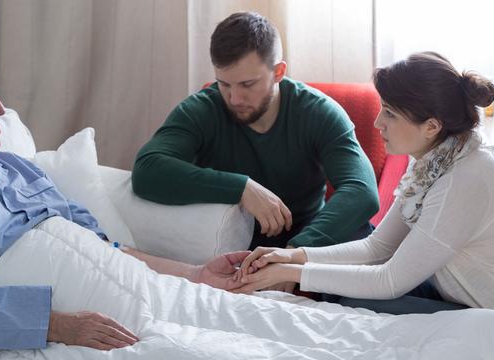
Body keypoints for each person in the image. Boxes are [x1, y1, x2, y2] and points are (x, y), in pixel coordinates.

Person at [0, 47, 250, 351]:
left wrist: (194, 274)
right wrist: (62, 326)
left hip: (137, 295)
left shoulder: (14, 167)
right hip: (73, 332)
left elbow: (106, 249)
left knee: (251, 322)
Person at [233, 51, 494, 315]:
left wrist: (288, 272)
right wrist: (292, 256)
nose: (378, 122)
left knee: (358, 301)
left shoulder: (463, 181)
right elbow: (377, 248)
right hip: (454, 291)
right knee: (350, 282)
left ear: (432, 126)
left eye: (390, 114)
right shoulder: (433, 159)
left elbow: (390, 280)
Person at [131, 12, 379, 291]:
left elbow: (362, 192)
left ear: (279, 72)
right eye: (224, 84)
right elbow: (147, 169)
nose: (234, 99)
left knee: (362, 237)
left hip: (305, 242)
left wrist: (294, 255)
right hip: (229, 250)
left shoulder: (319, 112)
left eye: (247, 84)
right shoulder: (202, 109)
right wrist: (242, 188)